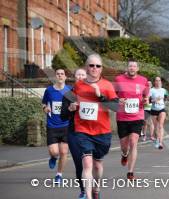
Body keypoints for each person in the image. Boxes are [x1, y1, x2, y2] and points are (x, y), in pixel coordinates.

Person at [72, 54, 118, 199]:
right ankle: (88, 195)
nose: (94, 68)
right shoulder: (78, 85)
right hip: (82, 130)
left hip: (102, 131)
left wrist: (100, 95)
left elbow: (116, 107)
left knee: (97, 166)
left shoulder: (107, 85)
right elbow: (68, 101)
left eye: (97, 66)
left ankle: (96, 188)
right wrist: (72, 106)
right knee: (87, 165)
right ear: (86, 67)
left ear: (101, 69)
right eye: (91, 65)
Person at [114, 59, 150, 180]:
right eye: (130, 66)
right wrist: (118, 100)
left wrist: (146, 100)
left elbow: (146, 96)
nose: (132, 68)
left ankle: (130, 172)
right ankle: (124, 154)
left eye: (134, 66)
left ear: (137, 69)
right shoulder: (119, 79)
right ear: (127, 68)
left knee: (134, 142)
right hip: (122, 117)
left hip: (137, 116)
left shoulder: (143, 80)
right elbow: (113, 95)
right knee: (124, 146)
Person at [60, 68, 87, 199]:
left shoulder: (93, 93)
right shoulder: (68, 95)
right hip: (74, 132)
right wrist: (70, 109)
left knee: (91, 163)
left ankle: (93, 187)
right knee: (78, 162)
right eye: (78, 75)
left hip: (91, 133)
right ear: (74, 77)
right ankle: (83, 190)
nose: (80, 77)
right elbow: (63, 116)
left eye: (83, 75)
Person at [42, 68, 71, 183]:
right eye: (58, 74)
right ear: (55, 76)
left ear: (65, 77)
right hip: (52, 125)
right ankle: (53, 157)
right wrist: (45, 108)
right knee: (55, 152)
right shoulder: (49, 90)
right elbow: (44, 103)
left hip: (66, 125)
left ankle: (59, 175)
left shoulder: (69, 90)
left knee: (64, 152)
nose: (60, 76)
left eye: (62, 74)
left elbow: (75, 102)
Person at [150, 76, 169, 150]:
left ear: (161, 82)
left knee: (160, 125)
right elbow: (149, 100)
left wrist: (166, 101)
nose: (158, 82)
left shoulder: (164, 90)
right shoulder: (151, 90)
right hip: (154, 110)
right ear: (154, 82)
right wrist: (154, 100)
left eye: (159, 80)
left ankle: (160, 142)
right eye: (156, 81)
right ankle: (157, 139)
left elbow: (166, 98)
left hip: (162, 109)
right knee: (156, 127)